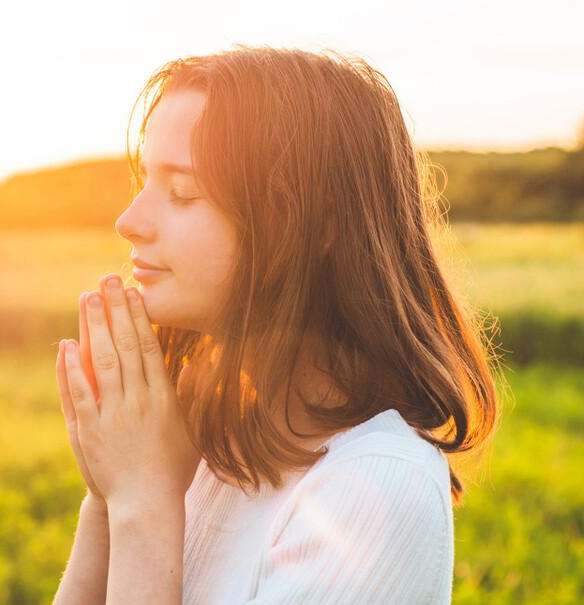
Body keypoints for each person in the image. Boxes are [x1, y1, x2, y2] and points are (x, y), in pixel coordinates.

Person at [51, 46, 501, 604]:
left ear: (313, 225)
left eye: (183, 192)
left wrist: (142, 502)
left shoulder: (376, 487)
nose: (129, 221)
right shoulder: (207, 446)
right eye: (144, 182)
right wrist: (108, 499)